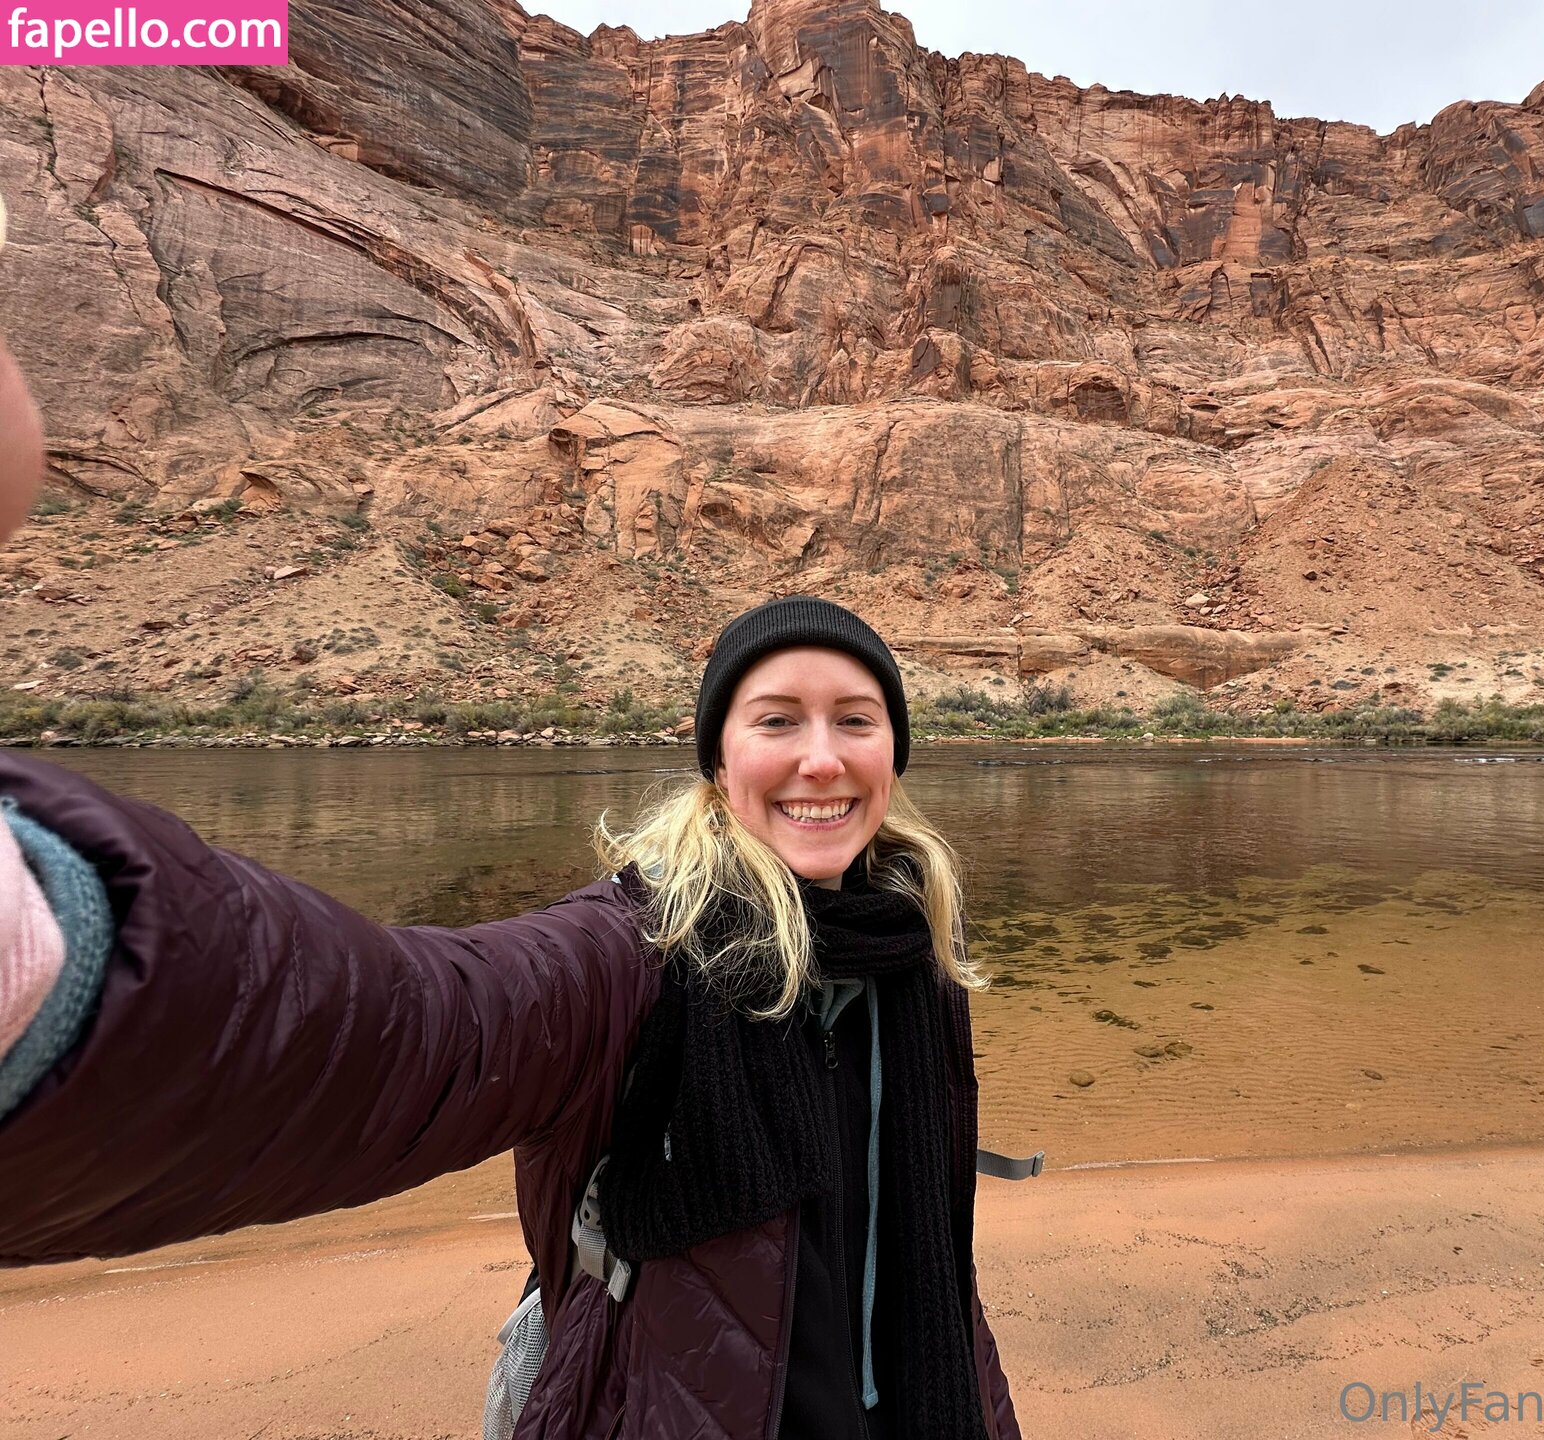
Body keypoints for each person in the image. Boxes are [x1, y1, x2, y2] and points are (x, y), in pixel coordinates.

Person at [0, 198, 1022, 1439]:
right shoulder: (636, 952)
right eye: (776, 720)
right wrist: (54, 953)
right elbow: (409, 1030)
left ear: (894, 755)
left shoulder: (910, 951)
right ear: (717, 764)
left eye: (856, 720)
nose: (821, 758)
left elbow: (932, 1259)